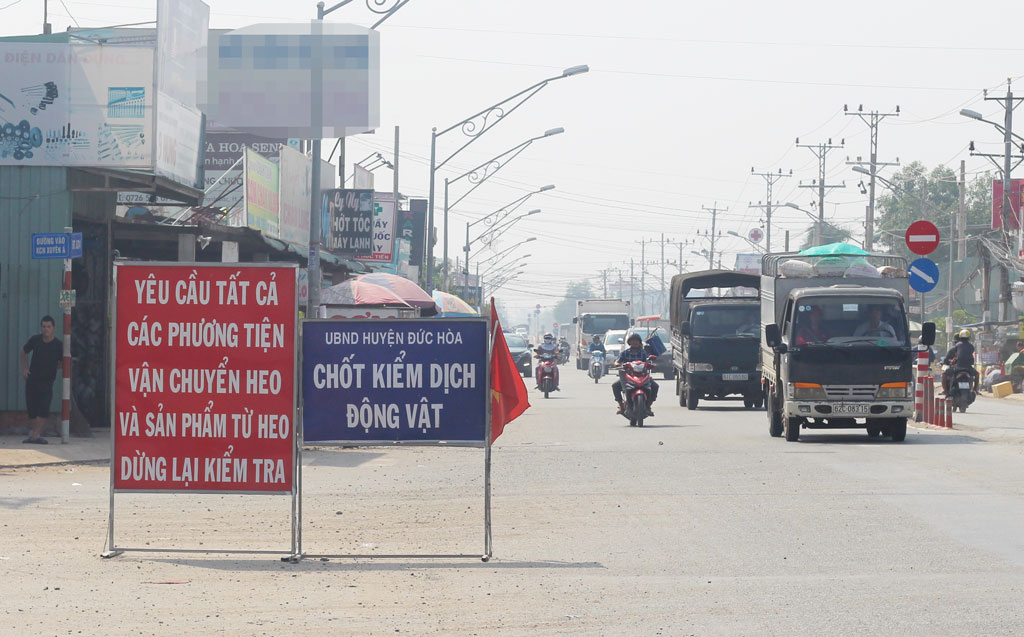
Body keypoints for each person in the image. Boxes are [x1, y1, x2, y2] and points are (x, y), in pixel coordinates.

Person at [20, 316, 63, 444]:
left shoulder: (58, 345)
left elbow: (65, 361)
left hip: (47, 380)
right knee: (32, 408)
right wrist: (24, 369)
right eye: (44, 327)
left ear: (53, 328)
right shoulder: (35, 340)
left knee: (43, 408)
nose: (46, 329)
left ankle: (36, 435)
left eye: (48, 327)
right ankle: (34, 435)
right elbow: (23, 351)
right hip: (33, 378)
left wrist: (54, 368)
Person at [611, 333, 658, 416]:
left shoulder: (643, 353)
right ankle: (621, 406)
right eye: (633, 341)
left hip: (642, 376)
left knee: (655, 386)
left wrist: (651, 365)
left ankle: (648, 406)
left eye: (636, 341)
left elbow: (648, 361)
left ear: (639, 342)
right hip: (628, 377)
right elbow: (618, 361)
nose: (634, 342)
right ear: (629, 342)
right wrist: (617, 364)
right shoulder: (625, 353)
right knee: (615, 386)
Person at [942, 329, 979, 394]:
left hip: (958, 367)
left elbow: (955, 355)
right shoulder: (971, 346)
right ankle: (975, 389)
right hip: (968, 368)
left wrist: (953, 360)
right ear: (969, 337)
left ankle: (945, 390)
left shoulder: (957, 345)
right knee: (977, 374)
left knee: (944, 374)